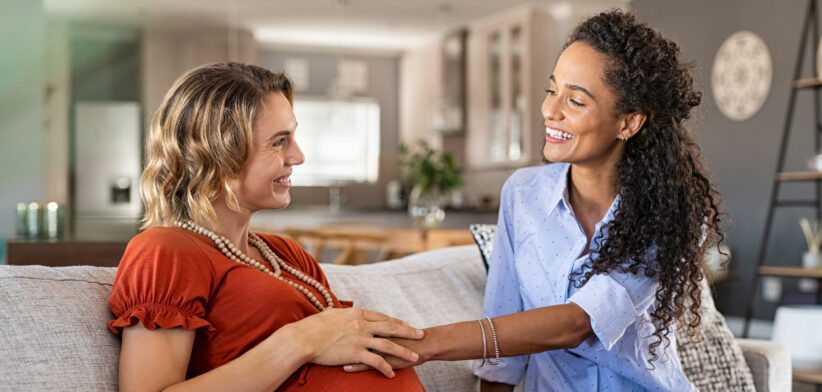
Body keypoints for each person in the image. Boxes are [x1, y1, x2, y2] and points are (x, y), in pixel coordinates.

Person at [346, 10, 722, 391]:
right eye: (551, 90)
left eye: (575, 101)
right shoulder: (522, 194)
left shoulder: (671, 213)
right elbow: (502, 347)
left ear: (629, 122)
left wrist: (422, 343)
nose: (549, 110)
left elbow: (576, 323)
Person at [107, 62, 427, 392]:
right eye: (279, 142)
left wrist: (478, 337)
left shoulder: (286, 254)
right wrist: (299, 340)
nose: (299, 156)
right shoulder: (166, 251)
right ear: (219, 154)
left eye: (293, 137)